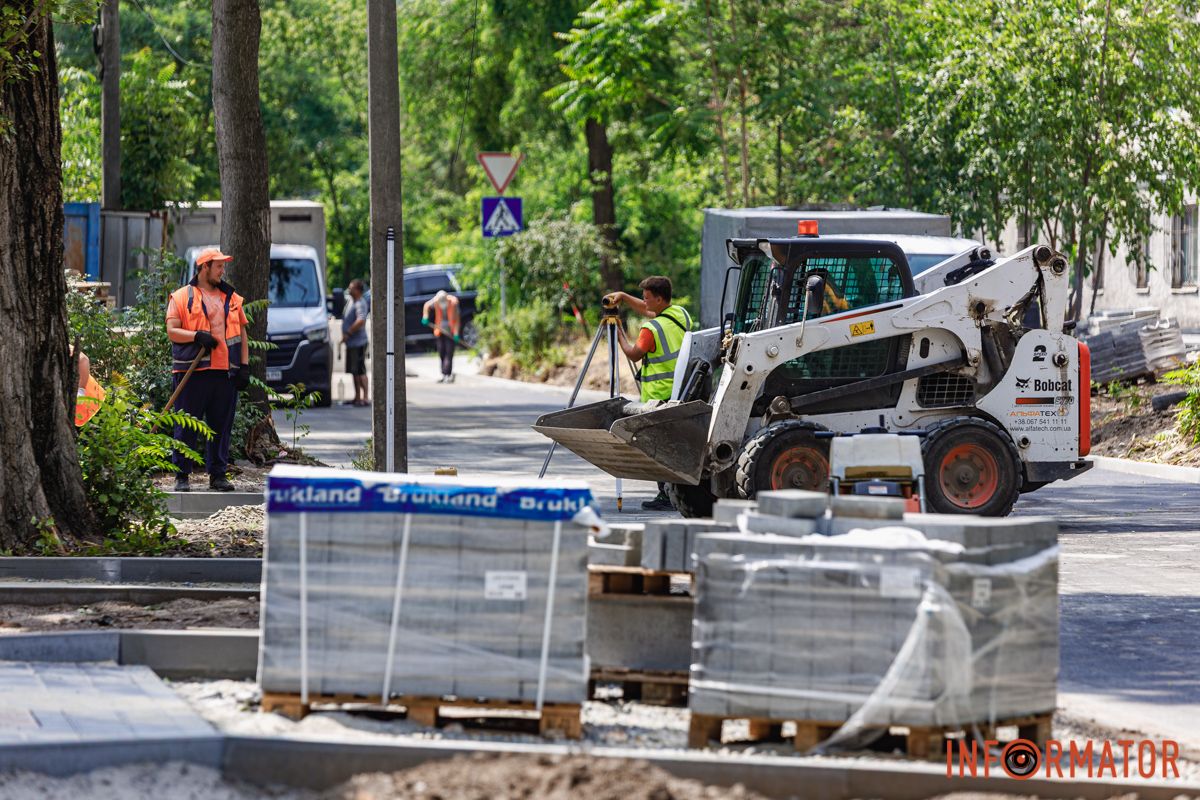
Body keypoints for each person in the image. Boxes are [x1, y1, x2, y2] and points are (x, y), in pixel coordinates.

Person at [604, 275, 693, 511]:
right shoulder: (680, 315)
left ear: (659, 299)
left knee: (657, 446)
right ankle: (676, 492)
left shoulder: (650, 328)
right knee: (674, 444)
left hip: (657, 395)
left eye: (647, 298)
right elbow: (648, 310)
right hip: (681, 389)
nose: (644, 303)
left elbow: (634, 354)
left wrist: (619, 330)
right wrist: (622, 297)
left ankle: (665, 495)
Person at [165, 247, 249, 492]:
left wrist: (244, 366)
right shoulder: (181, 297)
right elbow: (172, 330)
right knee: (187, 425)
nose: (223, 271)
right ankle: (182, 475)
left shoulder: (232, 299)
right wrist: (196, 336)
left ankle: (218, 475)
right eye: (219, 266)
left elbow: (242, 334)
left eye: (223, 266)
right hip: (192, 372)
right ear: (204, 268)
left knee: (221, 427)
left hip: (225, 373)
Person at [341, 278, 370, 406]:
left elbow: (361, 321)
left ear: (358, 290)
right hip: (352, 343)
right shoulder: (352, 301)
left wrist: (348, 333)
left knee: (360, 370)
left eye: (351, 288)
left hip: (358, 342)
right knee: (354, 371)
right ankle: (357, 397)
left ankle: (365, 397)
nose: (349, 290)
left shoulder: (360, 303)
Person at [422, 289, 461, 383]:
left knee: (449, 352)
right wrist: (425, 317)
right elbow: (426, 305)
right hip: (439, 330)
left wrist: (456, 333)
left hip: (450, 331)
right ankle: (444, 374)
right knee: (441, 352)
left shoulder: (453, 303)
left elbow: (457, 320)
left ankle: (448, 374)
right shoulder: (436, 301)